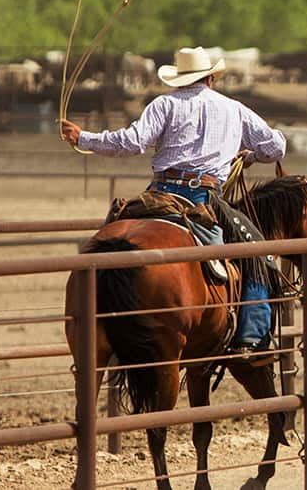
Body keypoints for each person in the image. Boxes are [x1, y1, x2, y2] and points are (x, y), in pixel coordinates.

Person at [60, 47, 287, 356]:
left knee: (111, 236)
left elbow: (131, 142)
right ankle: (251, 337)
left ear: (179, 79)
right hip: (206, 199)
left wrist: (83, 137)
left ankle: (95, 321)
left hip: (159, 193)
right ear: (210, 78)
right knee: (257, 255)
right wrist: (250, 156)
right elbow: (275, 147)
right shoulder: (233, 108)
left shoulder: (164, 104)